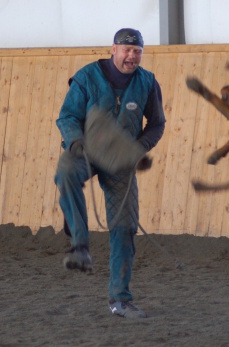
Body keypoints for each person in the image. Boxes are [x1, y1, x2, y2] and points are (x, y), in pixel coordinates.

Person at [54, 28, 166, 319]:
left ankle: (120, 300)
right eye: (126, 50)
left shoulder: (147, 82)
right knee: (66, 170)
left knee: (125, 228)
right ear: (113, 49)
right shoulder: (87, 77)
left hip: (120, 161)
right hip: (86, 151)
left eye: (137, 51)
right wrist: (75, 141)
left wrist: (137, 148)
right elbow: (67, 116)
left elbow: (156, 124)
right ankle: (80, 244)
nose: (132, 56)